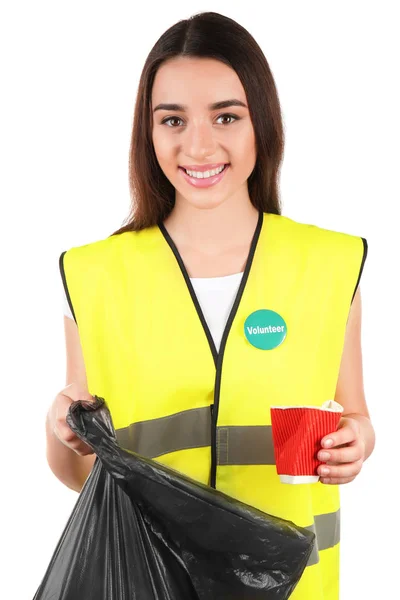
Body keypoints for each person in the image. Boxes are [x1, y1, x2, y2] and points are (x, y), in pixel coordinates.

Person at [45, 11, 375, 600]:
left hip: (296, 588)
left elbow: (355, 416)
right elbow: (86, 474)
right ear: (149, 133)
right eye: (172, 119)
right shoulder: (95, 275)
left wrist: (355, 444)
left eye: (226, 116)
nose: (198, 145)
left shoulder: (331, 264)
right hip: (154, 585)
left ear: (262, 126)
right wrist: (59, 433)